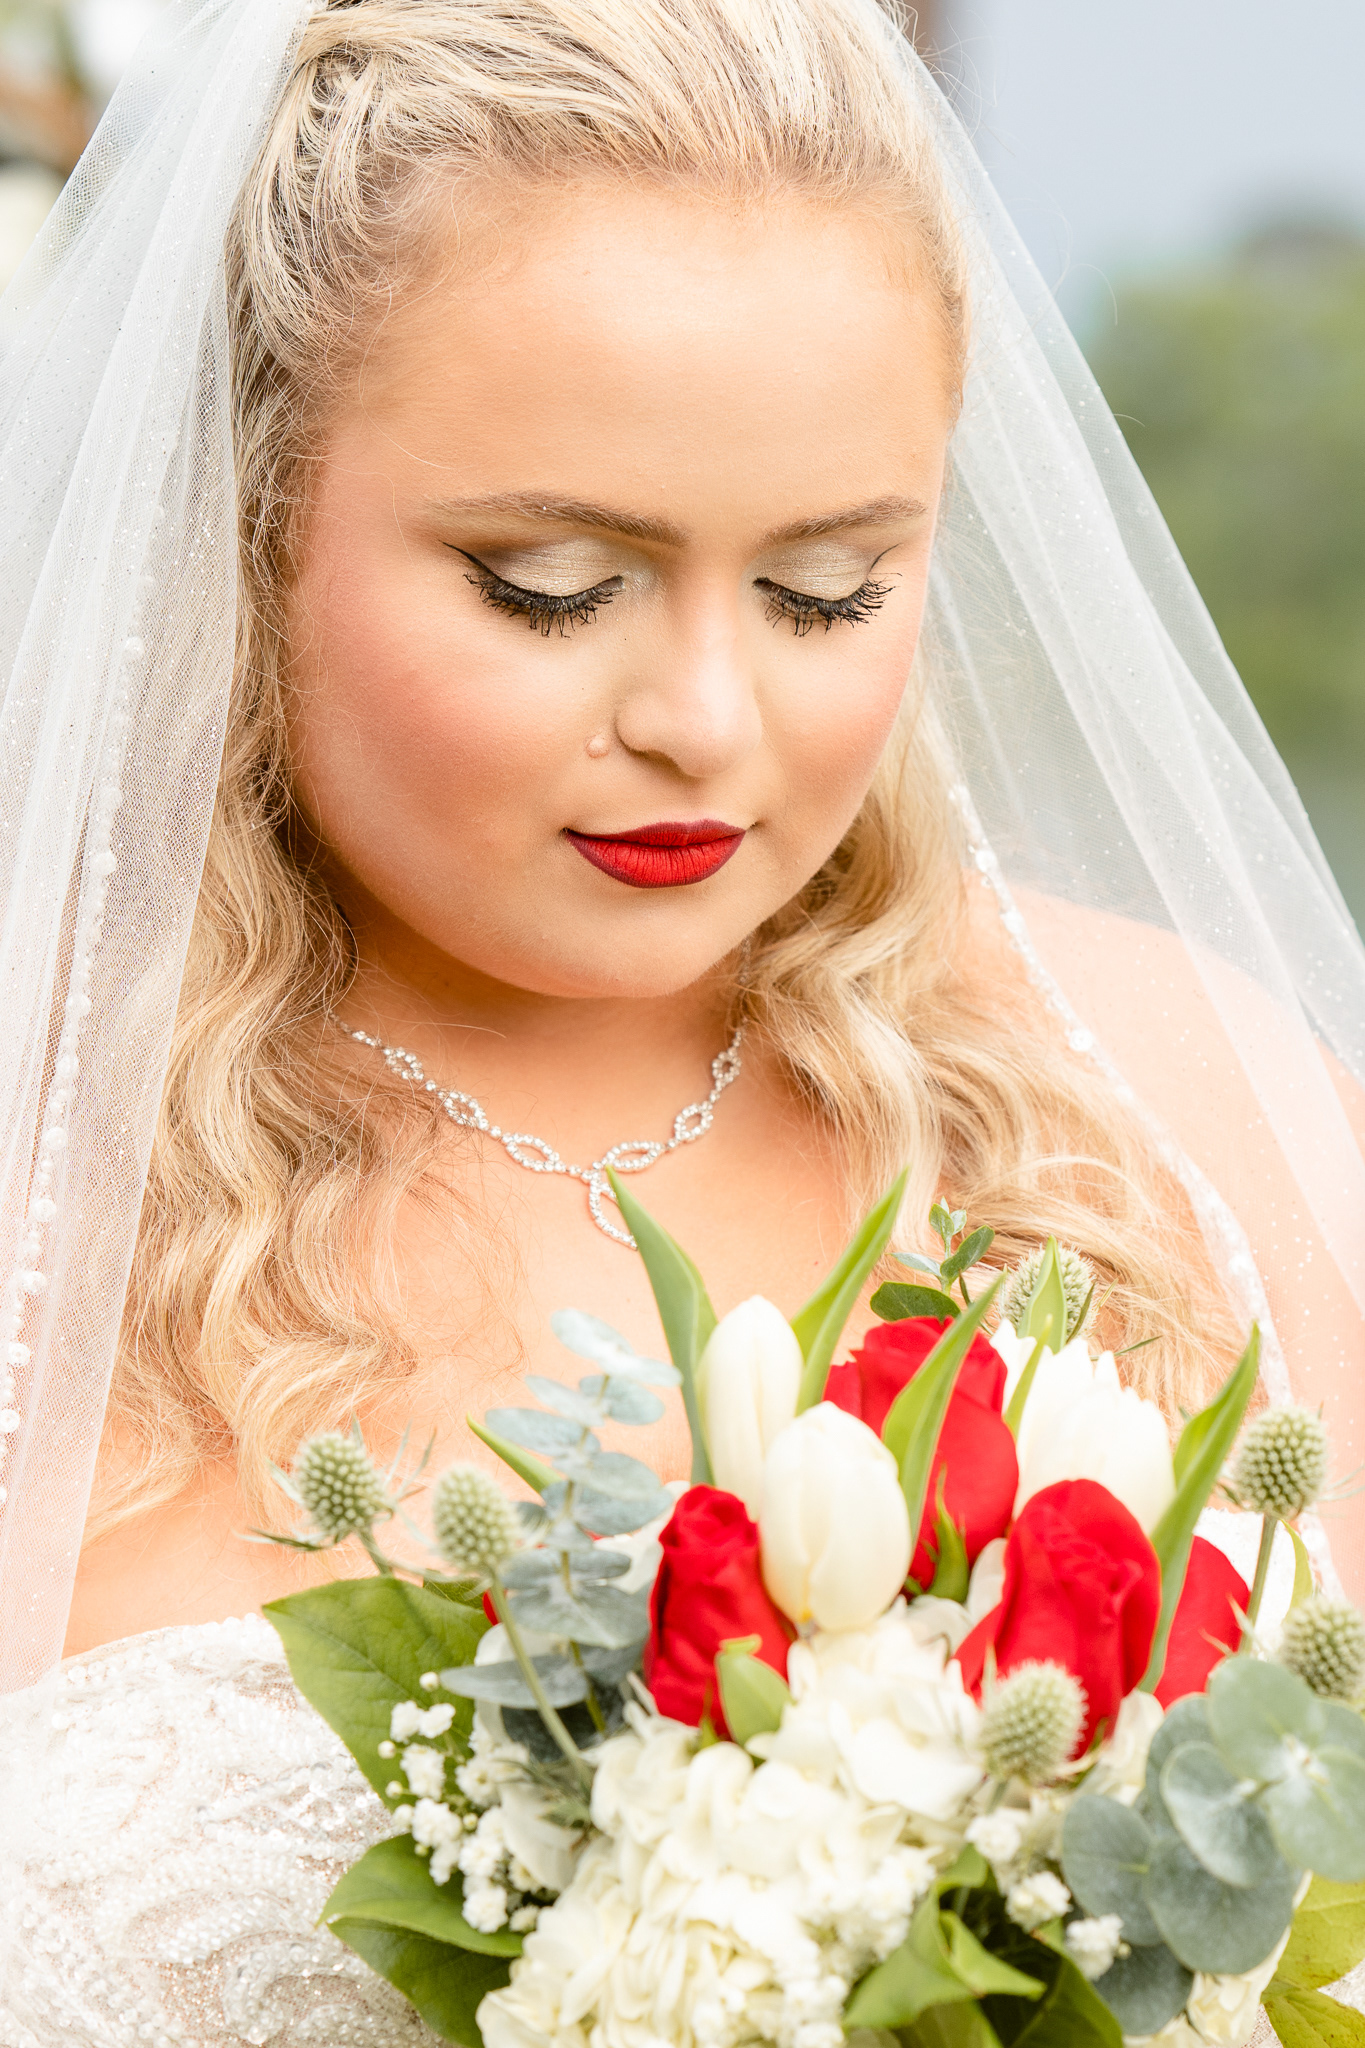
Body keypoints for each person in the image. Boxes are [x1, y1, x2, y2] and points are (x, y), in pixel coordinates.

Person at [0, 0, 1361, 2038]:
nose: (707, 722)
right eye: (550, 583)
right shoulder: (43, 1175)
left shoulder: (1178, 1101)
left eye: (827, 589)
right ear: (247, 512)